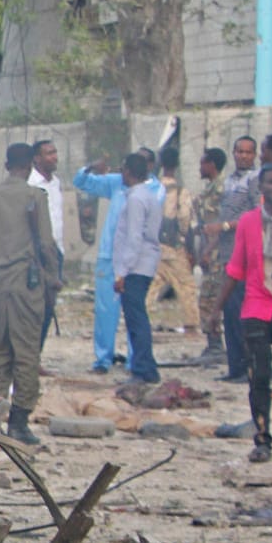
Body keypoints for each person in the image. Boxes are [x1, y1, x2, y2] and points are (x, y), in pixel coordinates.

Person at [213, 162, 272, 462]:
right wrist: (216, 308)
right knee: (259, 375)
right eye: (271, 182)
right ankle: (263, 440)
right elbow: (236, 268)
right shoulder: (248, 222)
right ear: (261, 187)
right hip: (256, 307)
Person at [0, 143, 61, 444]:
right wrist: (53, 277)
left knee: (1, 354)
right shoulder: (34, 197)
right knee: (27, 354)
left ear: (5, 164)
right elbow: (46, 243)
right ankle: (19, 420)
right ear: (29, 165)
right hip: (26, 285)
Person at [74, 149, 164, 373]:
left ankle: (137, 361)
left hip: (134, 260)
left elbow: (137, 235)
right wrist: (91, 167)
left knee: (134, 311)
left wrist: (125, 269)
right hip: (108, 255)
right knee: (105, 310)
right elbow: (82, 182)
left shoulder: (154, 190)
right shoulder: (116, 183)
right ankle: (103, 359)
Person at [207, 136, 261, 381]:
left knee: (241, 312)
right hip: (228, 254)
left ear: (255, 155)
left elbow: (256, 216)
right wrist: (211, 246)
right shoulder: (229, 181)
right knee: (229, 311)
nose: (243, 156)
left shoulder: (255, 180)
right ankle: (235, 367)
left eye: (248, 152)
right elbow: (223, 217)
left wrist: (226, 226)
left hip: (246, 256)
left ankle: (246, 368)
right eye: (239, 151)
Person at [113, 152, 163, 384]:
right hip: (145, 262)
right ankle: (147, 367)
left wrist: (122, 272)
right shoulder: (148, 195)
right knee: (137, 317)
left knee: (136, 319)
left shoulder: (135, 199)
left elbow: (134, 238)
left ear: (128, 172)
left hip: (136, 265)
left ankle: (142, 369)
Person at [150, 146, 198, 332]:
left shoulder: (153, 189)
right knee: (186, 285)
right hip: (173, 246)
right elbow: (185, 221)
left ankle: (140, 317)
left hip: (153, 245)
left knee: (152, 284)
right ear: (177, 165)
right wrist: (190, 250)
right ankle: (192, 324)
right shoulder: (180, 192)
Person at [27, 138, 65, 341]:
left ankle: (36, 356)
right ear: (37, 158)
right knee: (37, 307)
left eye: (55, 152)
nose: (54, 157)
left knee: (49, 307)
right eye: (49, 153)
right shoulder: (31, 184)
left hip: (56, 249)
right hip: (38, 251)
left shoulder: (56, 182)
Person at [193, 147, 228, 361]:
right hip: (211, 253)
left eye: (202, 162)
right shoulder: (211, 189)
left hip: (217, 255)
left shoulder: (220, 190)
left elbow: (220, 225)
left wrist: (207, 251)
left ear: (212, 165)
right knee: (207, 299)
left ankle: (216, 347)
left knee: (210, 300)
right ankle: (213, 345)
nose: (200, 167)